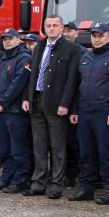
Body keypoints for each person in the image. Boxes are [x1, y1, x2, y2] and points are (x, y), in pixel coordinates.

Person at [68, 25, 109, 205]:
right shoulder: (86, 57)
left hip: (105, 113)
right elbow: (78, 87)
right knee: (86, 151)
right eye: (94, 36)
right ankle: (87, 187)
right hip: (85, 112)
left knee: (107, 153)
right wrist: (75, 110)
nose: (97, 39)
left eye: (100, 35)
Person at [24, 14, 81, 199]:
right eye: (48, 25)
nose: (51, 28)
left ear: (62, 27)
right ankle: (38, 182)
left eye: (55, 25)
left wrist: (65, 104)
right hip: (37, 99)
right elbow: (34, 74)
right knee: (39, 145)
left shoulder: (71, 49)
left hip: (56, 103)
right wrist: (28, 97)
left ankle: (57, 183)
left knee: (57, 147)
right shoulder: (40, 46)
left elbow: (72, 79)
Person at [0, 30, 33, 193]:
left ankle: (20, 180)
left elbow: (18, 84)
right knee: (4, 148)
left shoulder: (24, 58)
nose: (7, 41)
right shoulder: (3, 58)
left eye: (10, 39)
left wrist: (2, 102)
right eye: (5, 39)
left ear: (18, 40)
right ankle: (6, 177)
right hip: (1, 111)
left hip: (15, 112)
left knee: (18, 148)